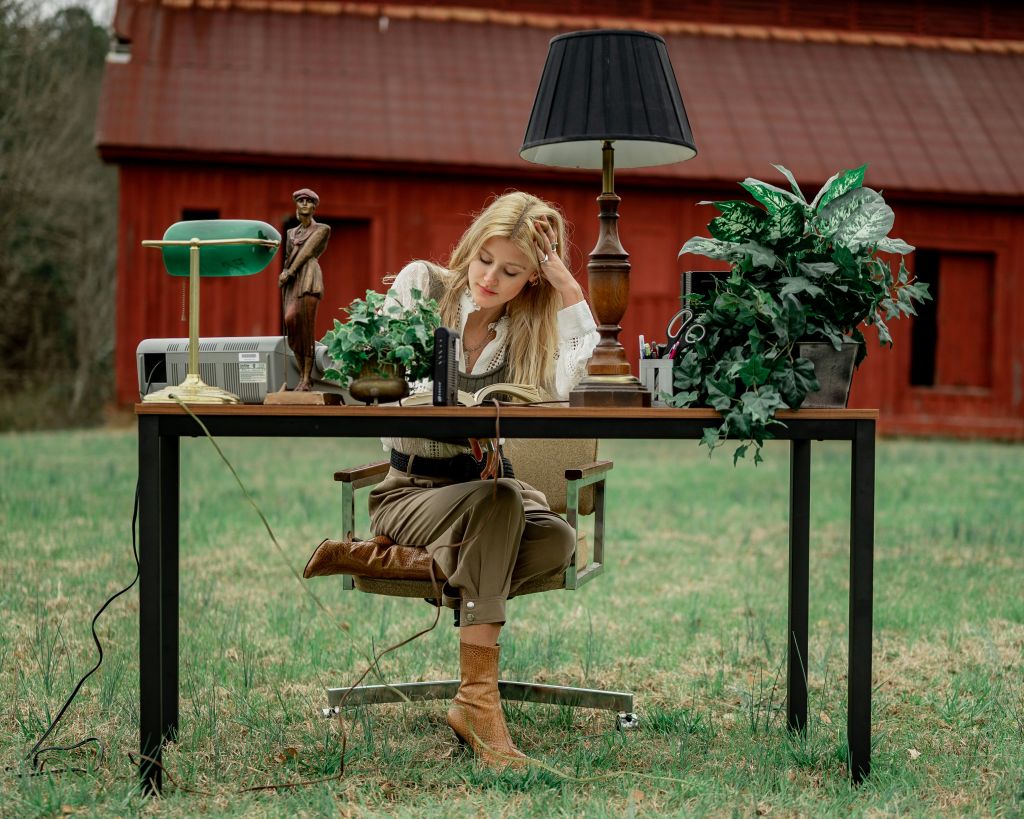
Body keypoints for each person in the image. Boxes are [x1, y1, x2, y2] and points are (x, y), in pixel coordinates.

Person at [369, 191, 599, 767]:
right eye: (484, 261)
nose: (491, 278)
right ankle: (478, 701)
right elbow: (376, 380)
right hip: (411, 493)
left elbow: (582, 391)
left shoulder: (531, 333)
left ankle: (442, 560)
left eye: (513, 271)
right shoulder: (421, 288)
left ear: (533, 280)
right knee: (499, 502)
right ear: (470, 250)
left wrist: (570, 294)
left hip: (488, 493)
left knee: (557, 540)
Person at [280, 188, 330, 390]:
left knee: (306, 328)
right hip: (293, 280)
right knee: (290, 321)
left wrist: (289, 271)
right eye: (301, 200)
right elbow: (288, 256)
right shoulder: (292, 233)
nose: (304, 204)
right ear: (296, 205)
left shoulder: (322, 229)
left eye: (309, 201)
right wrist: (284, 273)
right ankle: (301, 372)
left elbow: (307, 252)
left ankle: (306, 378)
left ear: (314, 206)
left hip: (308, 276)